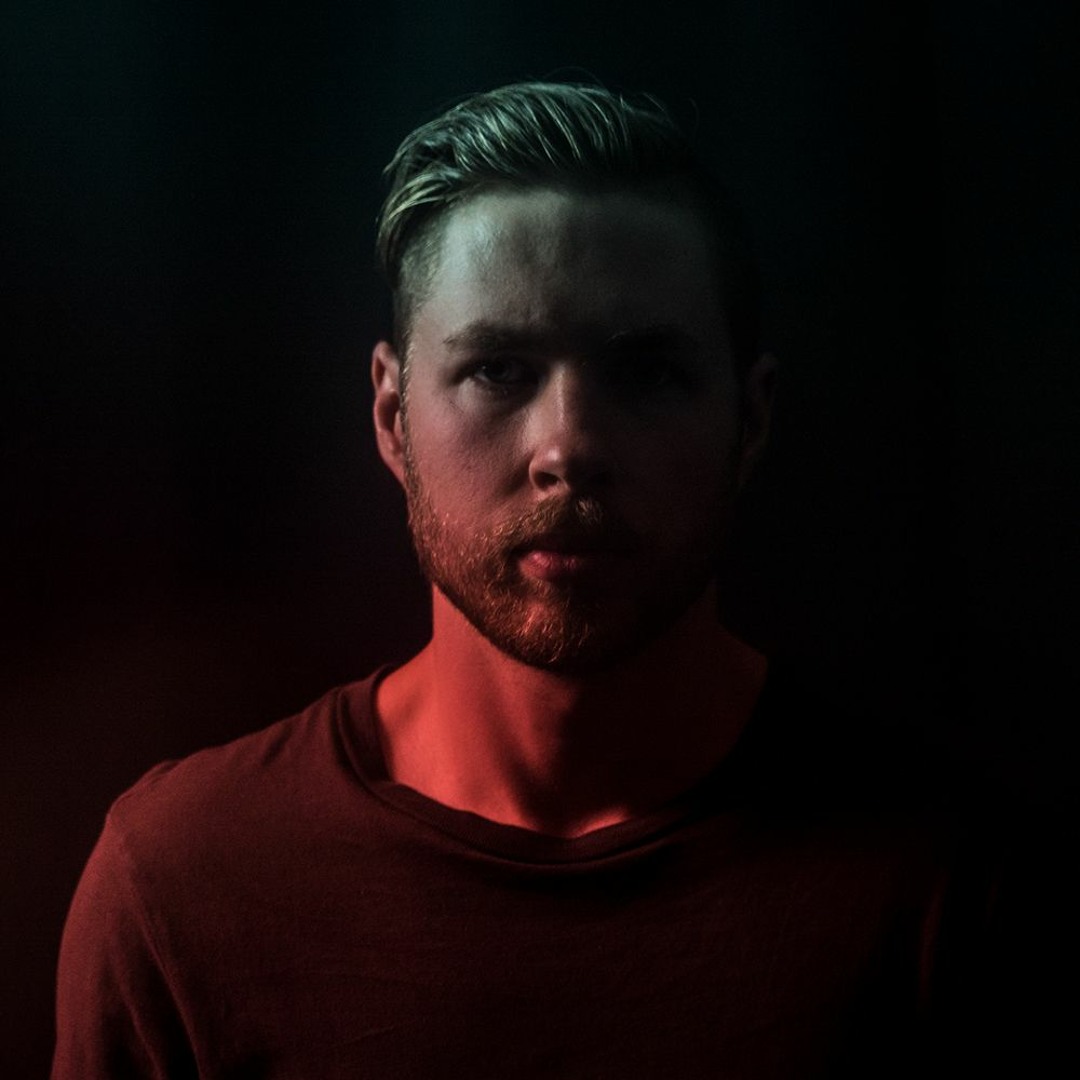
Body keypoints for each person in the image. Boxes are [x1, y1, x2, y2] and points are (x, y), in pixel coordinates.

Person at [52, 81, 1020, 1078]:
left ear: (752, 420)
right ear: (391, 417)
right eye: (499, 370)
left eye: (646, 372)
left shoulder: (948, 881)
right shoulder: (182, 884)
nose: (570, 448)